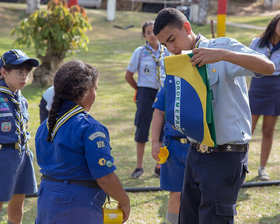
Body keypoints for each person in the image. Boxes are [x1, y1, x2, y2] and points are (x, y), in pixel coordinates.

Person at [153, 8, 275, 224]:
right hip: (196, 154)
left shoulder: (221, 47)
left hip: (225, 155)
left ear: (187, 27)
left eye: (172, 39)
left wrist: (222, 55)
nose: (171, 49)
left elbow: (268, 66)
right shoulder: (180, 62)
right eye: (165, 45)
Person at [35, 60, 130, 224]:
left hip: (46, 201)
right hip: (77, 206)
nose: (95, 94)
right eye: (95, 89)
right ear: (86, 91)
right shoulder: (90, 128)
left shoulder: (44, 126)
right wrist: (124, 200)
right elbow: (105, 177)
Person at [125, 20, 170, 179]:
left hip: (162, 93)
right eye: (148, 32)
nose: (152, 35)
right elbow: (128, 75)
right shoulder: (140, 52)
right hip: (145, 92)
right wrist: (139, 89)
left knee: (163, 130)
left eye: (154, 31)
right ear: (144, 35)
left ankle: (159, 165)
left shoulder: (166, 51)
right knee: (142, 128)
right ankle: (139, 166)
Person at [0, 49, 39, 224]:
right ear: (3, 72)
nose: (24, 77)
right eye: (19, 72)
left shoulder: (21, 100)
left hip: (21, 156)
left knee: (17, 207)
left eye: (27, 73)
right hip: (3, 156)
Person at [151, 85, 189, 224]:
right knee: (176, 194)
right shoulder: (171, 81)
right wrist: (155, 141)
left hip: (198, 146)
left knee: (199, 194)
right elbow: (159, 111)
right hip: (173, 145)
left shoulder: (203, 78)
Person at [248, 14, 280, 181]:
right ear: (274, 23)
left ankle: (262, 168)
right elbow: (246, 63)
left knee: (268, 130)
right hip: (258, 85)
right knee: (248, 129)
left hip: (276, 88)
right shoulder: (257, 43)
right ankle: (241, 164)